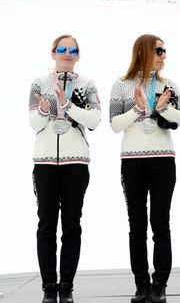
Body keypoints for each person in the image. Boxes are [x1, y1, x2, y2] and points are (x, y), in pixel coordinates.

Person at [110, 34, 180, 303]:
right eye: (159, 51)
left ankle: (160, 285)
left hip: (163, 160)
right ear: (143, 52)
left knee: (160, 223)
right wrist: (138, 109)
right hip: (131, 160)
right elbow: (114, 124)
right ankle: (141, 283)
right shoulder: (121, 86)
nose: (164, 56)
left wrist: (163, 109)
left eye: (165, 51)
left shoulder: (169, 85)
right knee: (137, 225)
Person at [30, 34, 101, 303]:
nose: (67, 53)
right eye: (62, 49)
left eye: (73, 50)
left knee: (72, 225)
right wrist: (46, 111)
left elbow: (94, 120)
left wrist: (68, 105)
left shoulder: (88, 84)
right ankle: (49, 287)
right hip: (45, 163)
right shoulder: (39, 83)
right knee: (46, 225)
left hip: (76, 163)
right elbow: (33, 124)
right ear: (53, 53)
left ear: (78, 54)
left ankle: (67, 287)